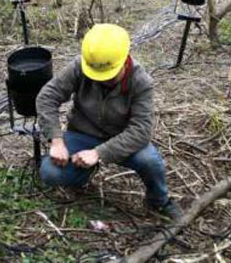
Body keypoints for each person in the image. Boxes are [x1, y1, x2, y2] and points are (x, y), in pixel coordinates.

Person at [35, 24, 182, 221]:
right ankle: (82, 173)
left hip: (120, 139)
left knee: (150, 161)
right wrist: (56, 140)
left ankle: (159, 201)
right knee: (50, 172)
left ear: (124, 60)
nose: (103, 80)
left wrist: (99, 153)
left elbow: (141, 130)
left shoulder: (140, 81)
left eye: (108, 76)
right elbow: (47, 96)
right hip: (81, 134)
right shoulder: (81, 66)